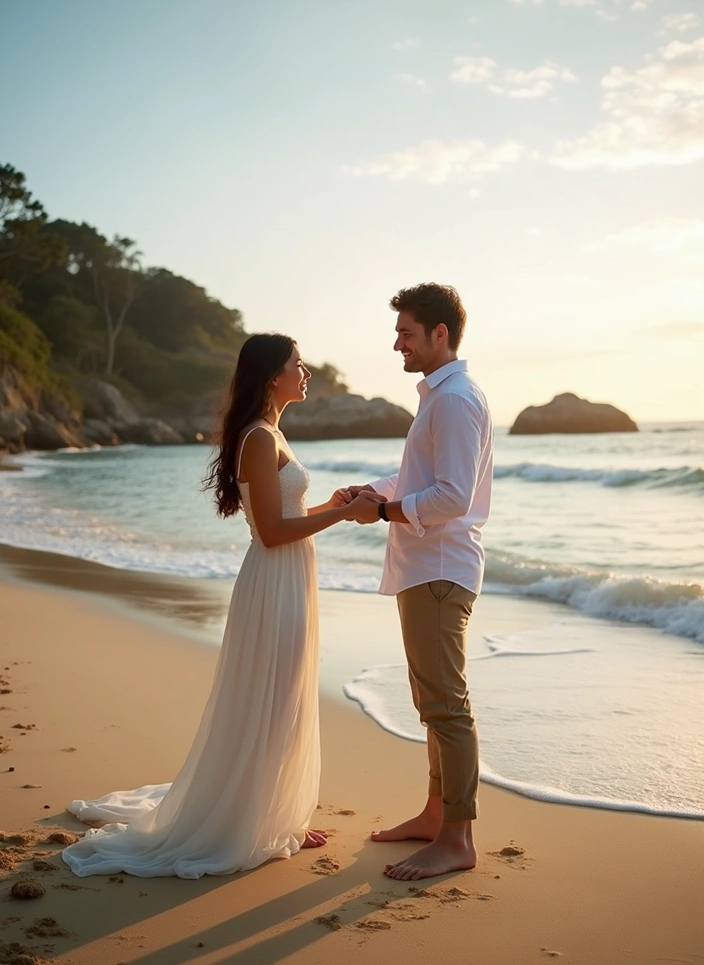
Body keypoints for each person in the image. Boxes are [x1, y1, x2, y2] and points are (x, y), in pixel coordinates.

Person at [62, 333, 382, 879]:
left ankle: (277, 814)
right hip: (274, 578)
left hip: (288, 578)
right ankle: (258, 819)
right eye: (296, 365)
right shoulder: (259, 437)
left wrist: (330, 503)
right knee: (273, 699)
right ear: (271, 376)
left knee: (282, 698)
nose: (305, 372)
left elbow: (282, 512)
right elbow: (273, 534)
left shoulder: (271, 433)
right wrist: (344, 518)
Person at [347, 283, 494, 882]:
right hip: (426, 569)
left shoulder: (456, 399)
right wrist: (372, 492)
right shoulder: (441, 397)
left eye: (406, 332)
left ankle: (457, 837)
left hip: (439, 568)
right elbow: (419, 475)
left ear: (441, 334)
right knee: (432, 702)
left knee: (445, 706)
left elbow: (452, 497)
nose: (397, 343)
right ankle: (436, 816)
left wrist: (383, 512)